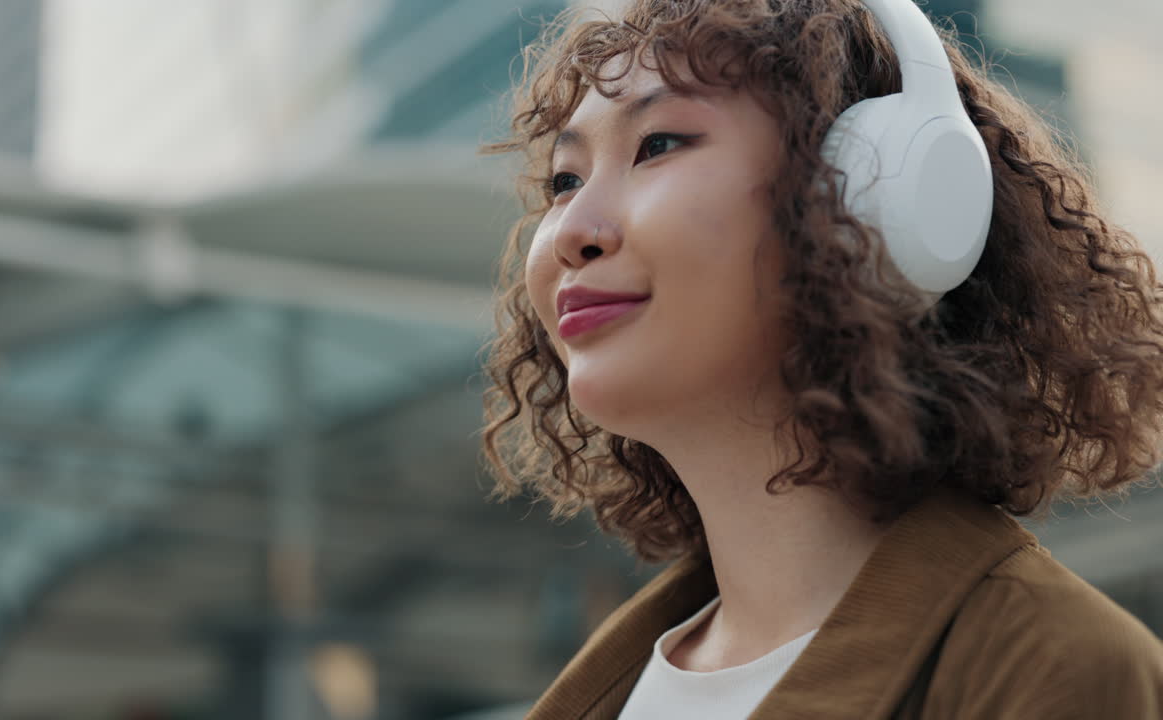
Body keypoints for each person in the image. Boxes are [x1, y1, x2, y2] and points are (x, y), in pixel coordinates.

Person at [478, 0, 1163, 718]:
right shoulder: (605, 695)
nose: (571, 233)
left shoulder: (1052, 674)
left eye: (657, 144)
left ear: (869, 196)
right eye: (565, 181)